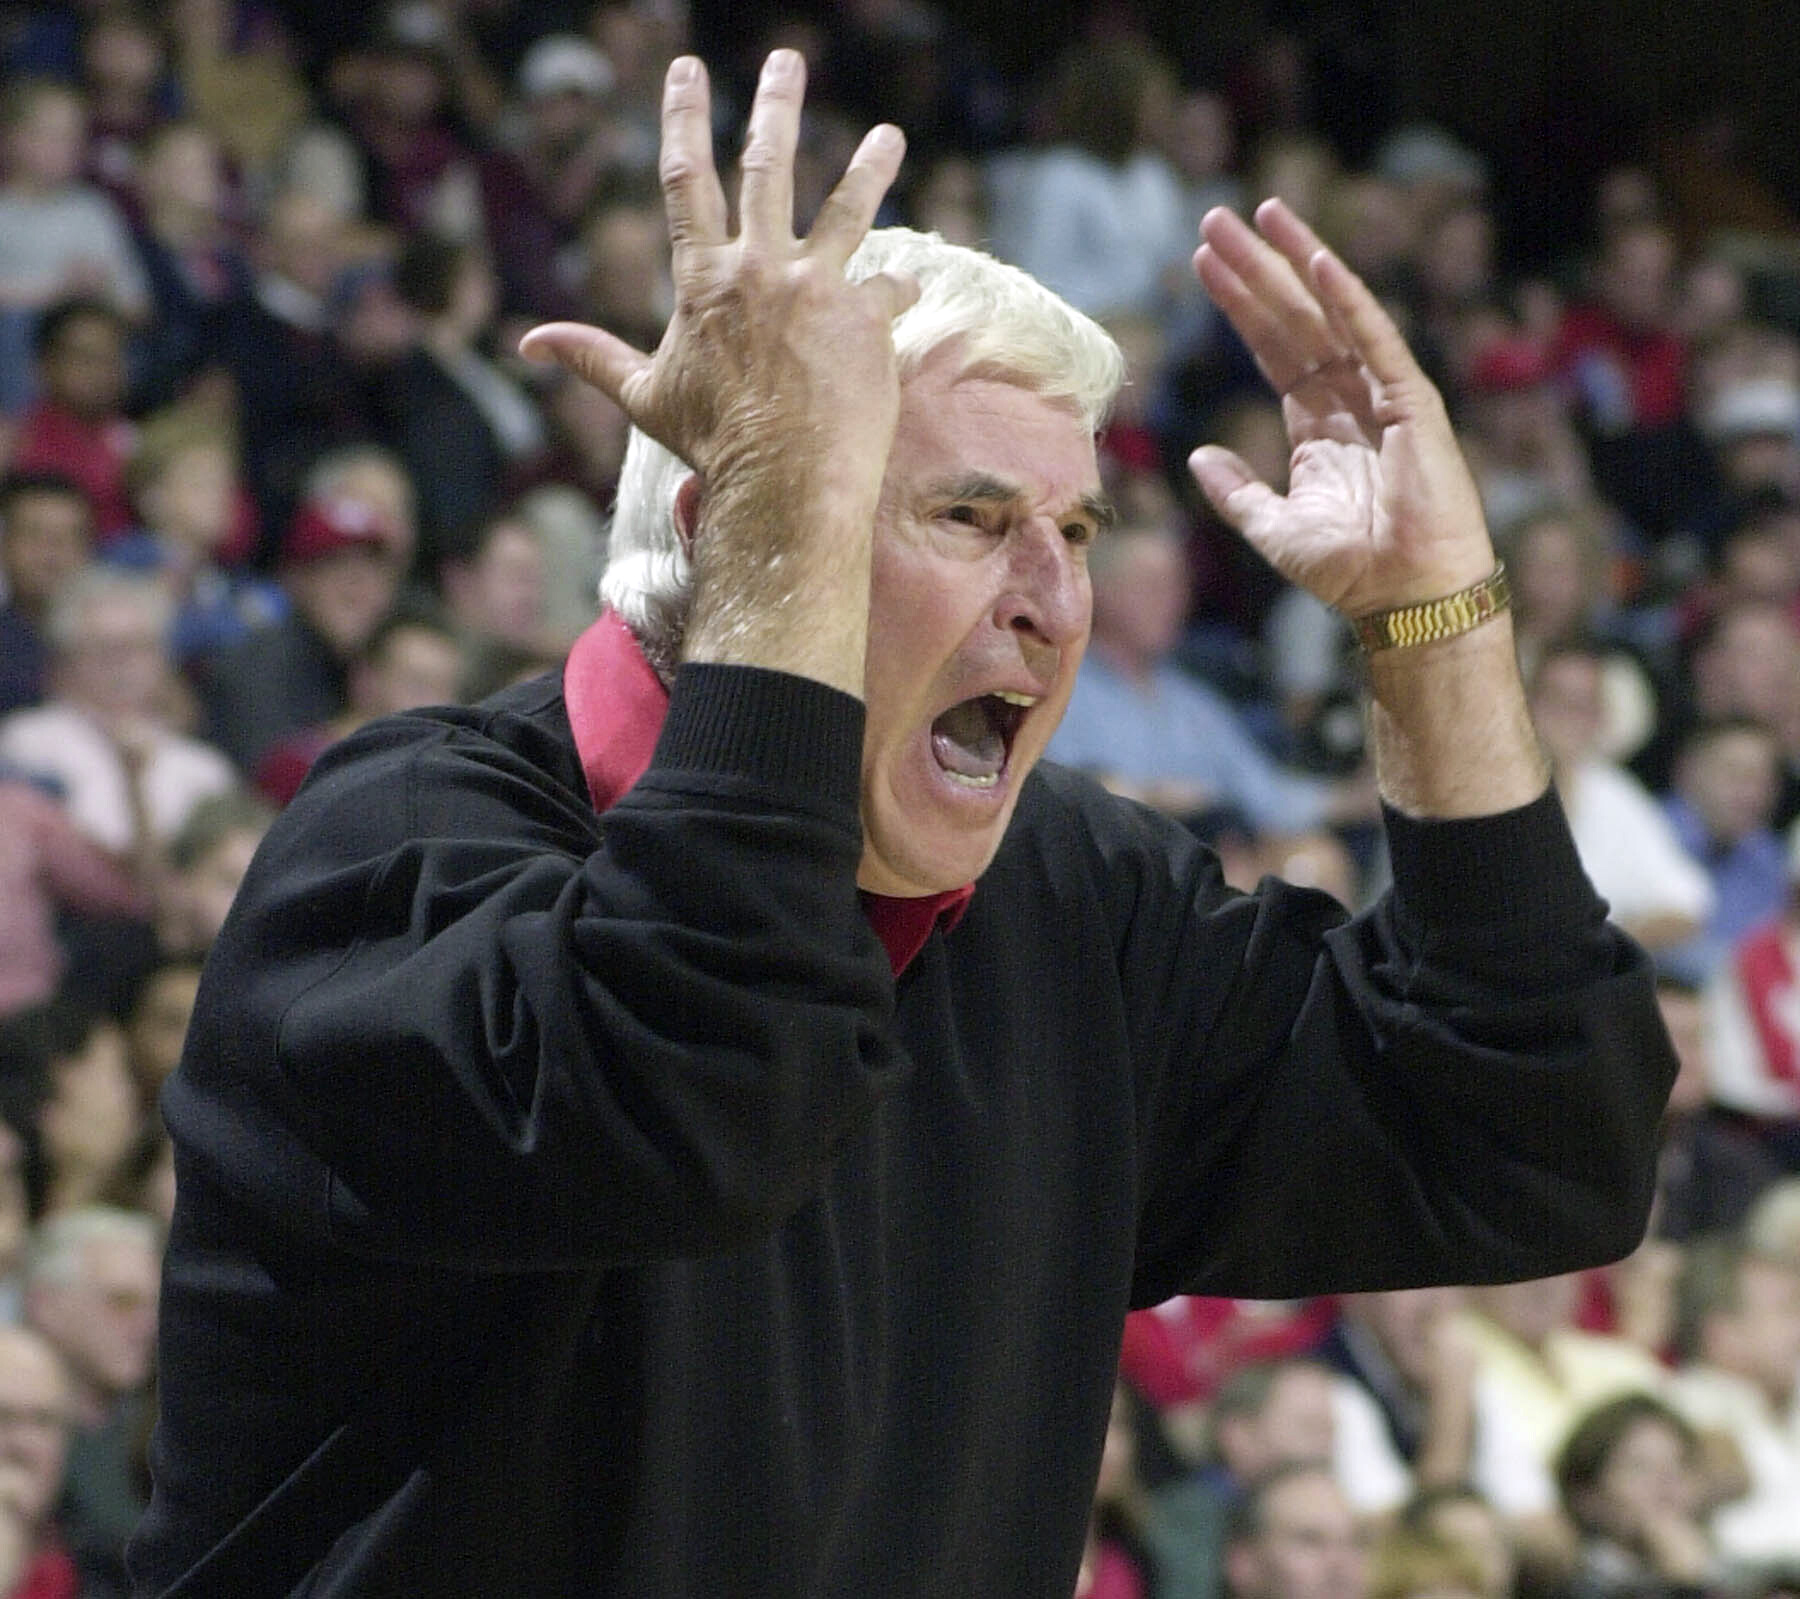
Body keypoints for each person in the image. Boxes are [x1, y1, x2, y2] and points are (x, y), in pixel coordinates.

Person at [131, 52, 1675, 1597]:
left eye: (1075, 531)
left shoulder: (1078, 903)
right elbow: (706, 1092)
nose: (1059, 603)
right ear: (727, 532)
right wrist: (781, 529)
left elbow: (1534, 1143)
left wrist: (1438, 627)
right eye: (970, 518)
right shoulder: (392, 858)